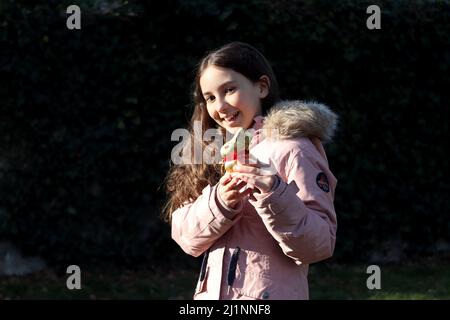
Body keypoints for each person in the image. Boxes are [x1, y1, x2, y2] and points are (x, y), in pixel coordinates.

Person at [162, 42, 338, 300]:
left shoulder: (294, 149)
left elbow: (319, 244)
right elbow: (186, 238)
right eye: (210, 97)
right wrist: (220, 202)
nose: (219, 106)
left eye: (229, 89)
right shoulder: (210, 154)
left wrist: (274, 191)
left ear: (262, 87)